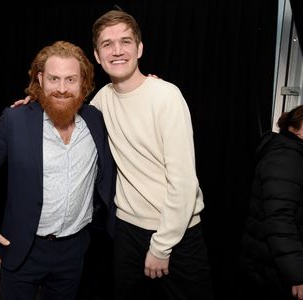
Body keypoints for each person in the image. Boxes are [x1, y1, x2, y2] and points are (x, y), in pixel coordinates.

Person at [13, 9, 214, 300]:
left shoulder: (166, 96)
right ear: (96, 55)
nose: (117, 51)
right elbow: (65, 102)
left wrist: (161, 246)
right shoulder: (102, 100)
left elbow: (183, 183)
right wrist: (37, 100)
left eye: (126, 42)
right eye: (107, 44)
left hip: (176, 234)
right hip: (126, 233)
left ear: (140, 48)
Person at [0, 40, 115, 300]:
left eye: (70, 79)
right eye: (53, 79)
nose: (61, 89)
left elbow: (129, 99)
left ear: (83, 81)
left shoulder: (97, 119)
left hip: (74, 249)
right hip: (23, 247)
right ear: (40, 79)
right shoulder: (14, 120)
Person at [241, 105, 303, 300]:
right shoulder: (286, 157)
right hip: (272, 269)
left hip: (272, 264)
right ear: (294, 128)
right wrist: (297, 273)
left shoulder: (293, 154)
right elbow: (279, 219)